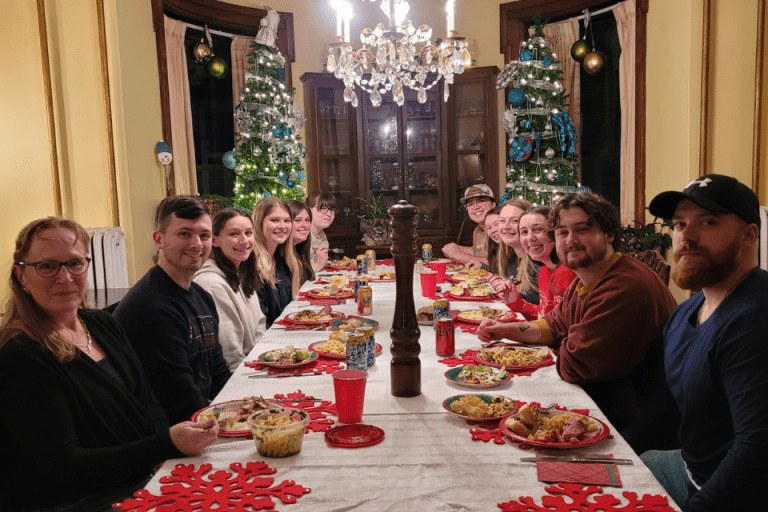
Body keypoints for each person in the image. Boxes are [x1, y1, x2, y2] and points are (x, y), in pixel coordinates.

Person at [0, 218, 218, 510]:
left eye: (75, 263)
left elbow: (148, 402)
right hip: (82, 499)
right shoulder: (20, 353)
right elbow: (63, 466)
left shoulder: (101, 323)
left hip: (138, 475)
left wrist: (163, 457)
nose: (65, 278)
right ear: (21, 275)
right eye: (47, 266)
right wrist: (163, 446)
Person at [477, 192, 677, 431]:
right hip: (601, 403)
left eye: (582, 229)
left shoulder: (623, 286)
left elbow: (573, 366)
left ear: (609, 234)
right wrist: (504, 330)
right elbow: (552, 326)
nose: (570, 240)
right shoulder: (587, 276)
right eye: (562, 232)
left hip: (631, 424)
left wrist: (563, 343)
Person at [628, 174, 768, 511]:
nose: (686, 237)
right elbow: (670, 401)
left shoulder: (754, 318)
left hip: (739, 494)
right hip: (691, 469)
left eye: (707, 222)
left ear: (749, 235)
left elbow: (757, 448)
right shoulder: (689, 309)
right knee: (630, 466)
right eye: (679, 224)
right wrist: (613, 449)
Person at [114, 196, 231, 424]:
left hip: (199, 417)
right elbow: (180, 401)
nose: (197, 244)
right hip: (170, 434)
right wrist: (235, 420)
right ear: (159, 239)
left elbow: (218, 372)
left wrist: (243, 407)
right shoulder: (151, 307)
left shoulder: (202, 296)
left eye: (204, 235)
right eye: (184, 233)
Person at [193, 208, 267, 371]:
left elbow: (260, 327)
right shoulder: (212, 284)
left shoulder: (241, 273)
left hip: (255, 363)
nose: (244, 241)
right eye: (234, 234)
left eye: (248, 233)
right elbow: (230, 356)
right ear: (215, 240)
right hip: (235, 375)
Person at [490, 206, 576, 320]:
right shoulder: (544, 270)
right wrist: (515, 301)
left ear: (554, 233)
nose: (530, 238)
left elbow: (558, 328)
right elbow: (545, 316)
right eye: (524, 232)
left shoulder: (566, 272)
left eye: (538, 230)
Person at [253, 196, 302, 327]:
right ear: (259, 223)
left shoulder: (284, 262)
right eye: (274, 220)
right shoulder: (252, 265)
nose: (282, 226)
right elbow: (260, 324)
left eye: (286, 221)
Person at [497, 198, 539, 305]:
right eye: (502, 221)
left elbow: (544, 305)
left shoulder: (536, 262)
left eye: (514, 221)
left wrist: (512, 296)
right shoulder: (511, 259)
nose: (506, 227)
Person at [442, 184, 495, 266]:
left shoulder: (498, 229)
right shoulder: (477, 229)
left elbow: (494, 263)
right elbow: (477, 251)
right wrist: (455, 248)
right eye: (470, 204)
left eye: (481, 201)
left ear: (493, 204)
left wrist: (458, 255)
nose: (476, 207)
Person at [287, 199, 315, 284]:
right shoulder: (280, 259)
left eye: (307, 220)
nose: (304, 225)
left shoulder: (299, 252)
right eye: (297, 220)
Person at [307, 190, 336, 271]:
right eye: (323, 208)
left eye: (331, 209)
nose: (329, 214)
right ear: (309, 210)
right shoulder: (303, 234)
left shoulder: (322, 234)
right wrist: (317, 265)